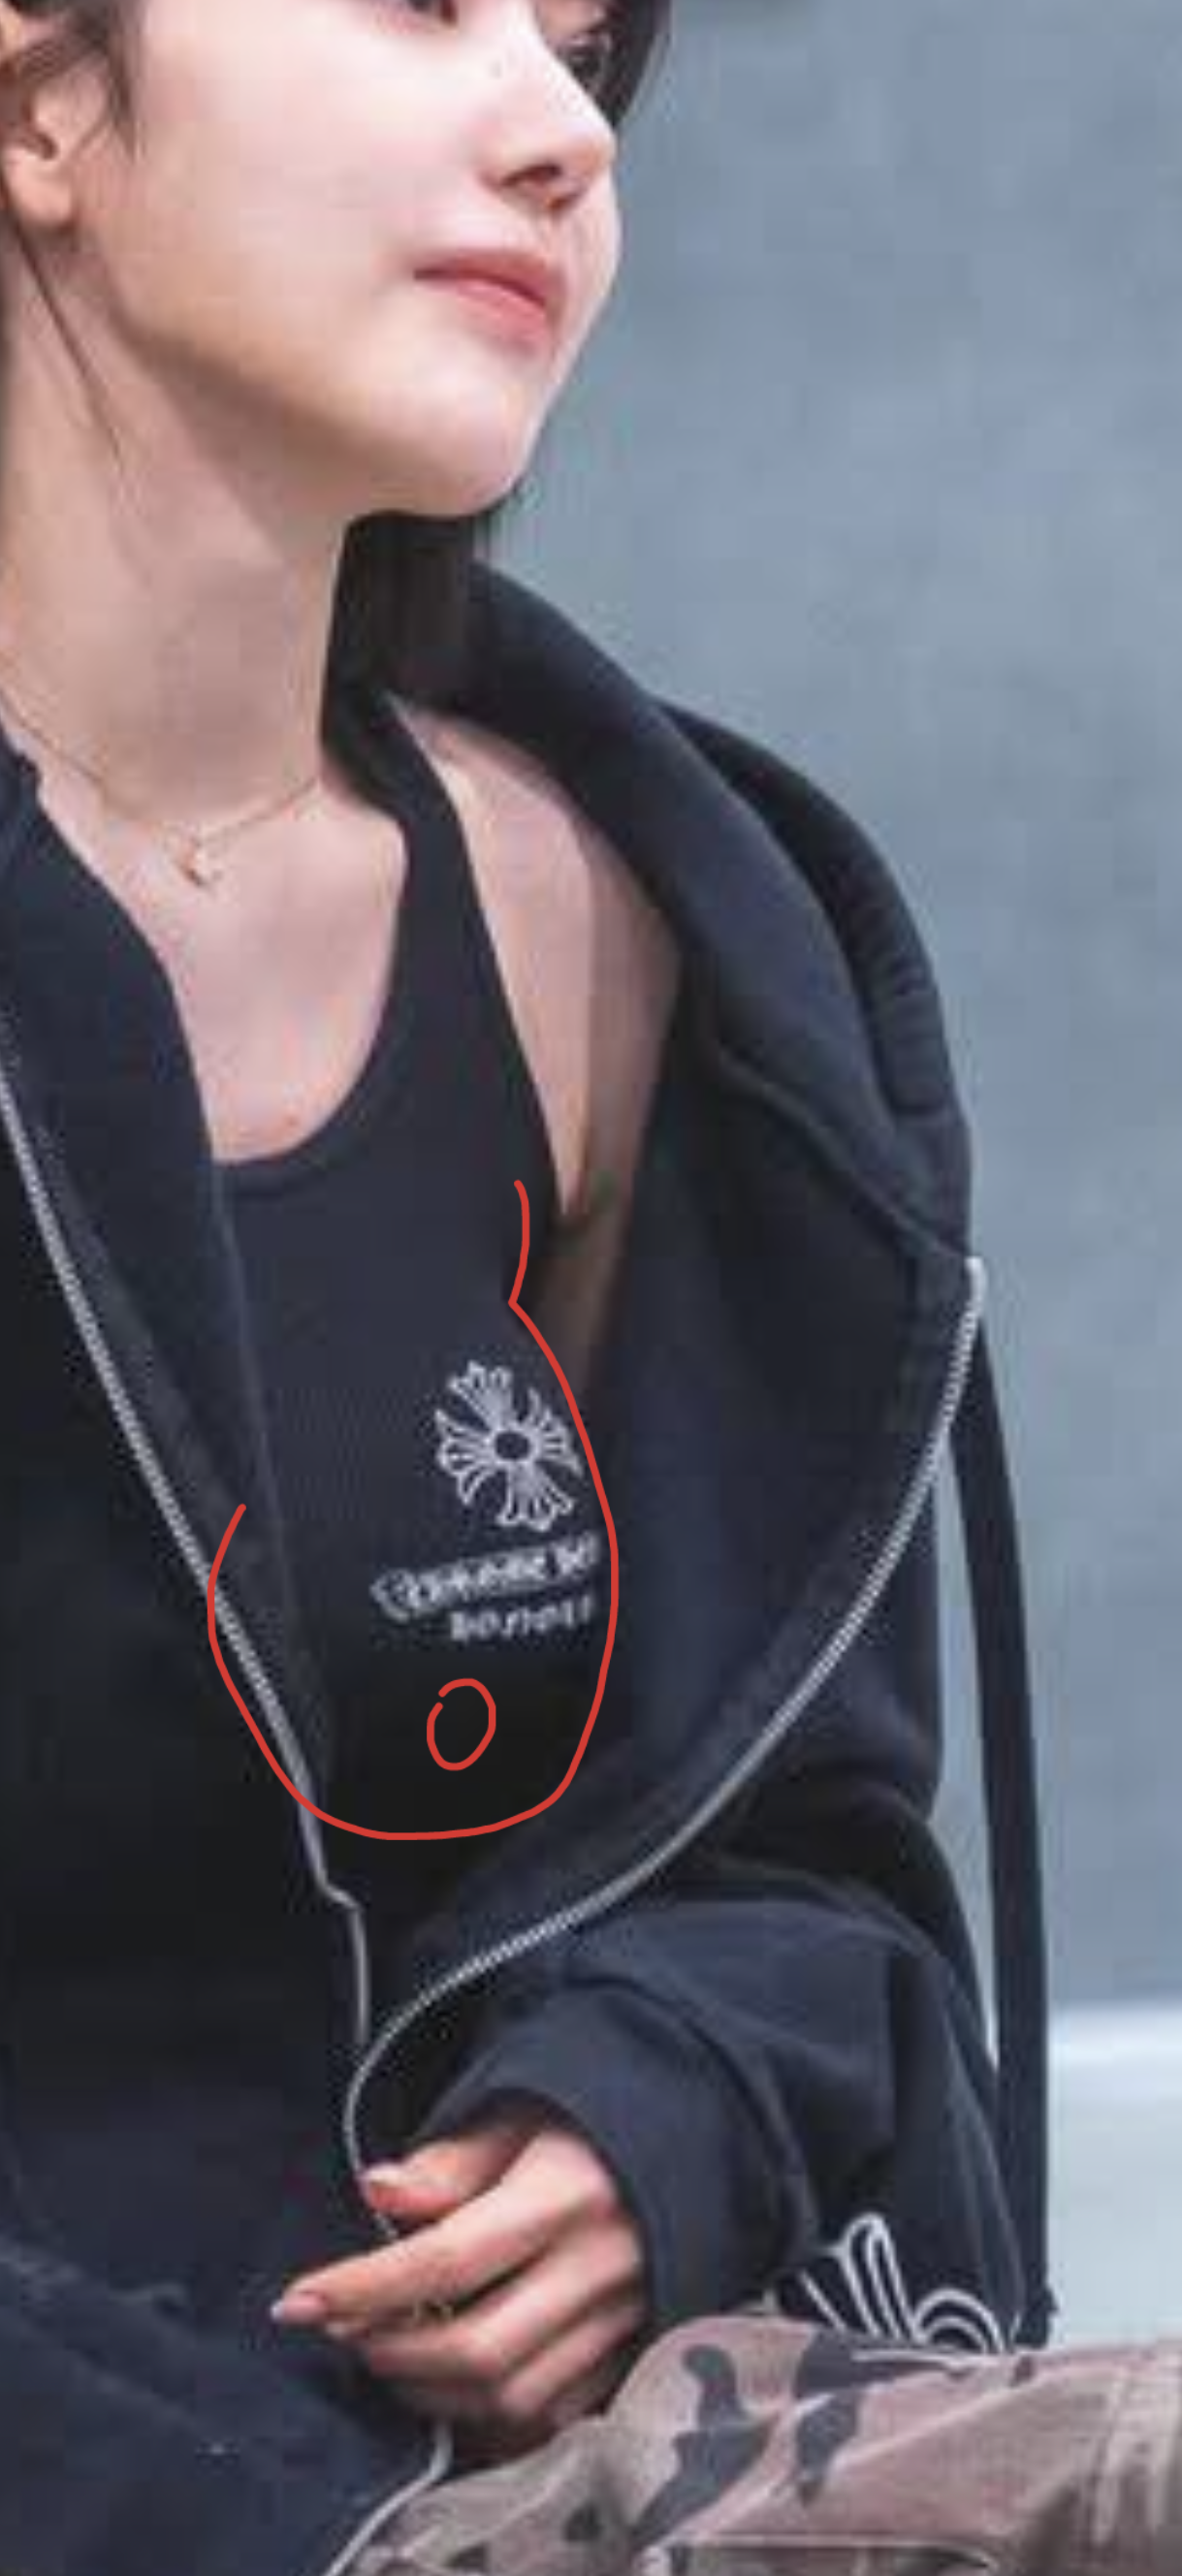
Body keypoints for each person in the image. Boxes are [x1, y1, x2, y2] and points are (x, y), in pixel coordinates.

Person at [0, 3, 1175, 2573]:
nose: (558, 133)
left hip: (608, 2482)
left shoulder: (614, 937)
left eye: (585, 51)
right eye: (427, 6)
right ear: (47, 99)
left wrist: (652, 2113)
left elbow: (787, 1860)